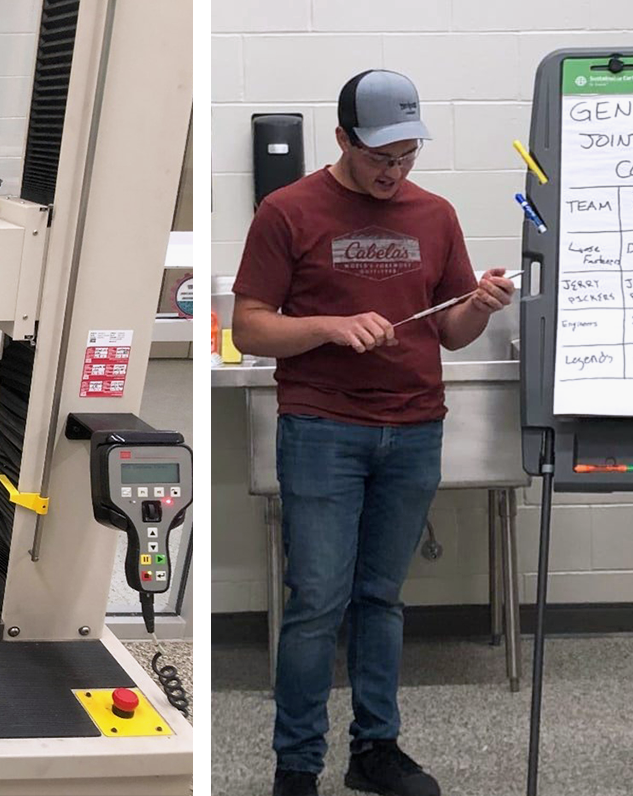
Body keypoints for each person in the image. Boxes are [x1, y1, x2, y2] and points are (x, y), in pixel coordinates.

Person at [231, 69, 516, 796]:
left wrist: (481, 304)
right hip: (323, 428)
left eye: (406, 156)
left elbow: (451, 331)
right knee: (317, 601)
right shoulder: (287, 211)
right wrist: (330, 325)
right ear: (342, 140)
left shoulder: (435, 214)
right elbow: (250, 326)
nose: (394, 171)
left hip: (415, 427)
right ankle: (296, 766)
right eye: (380, 156)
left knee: (381, 600)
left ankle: (375, 751)